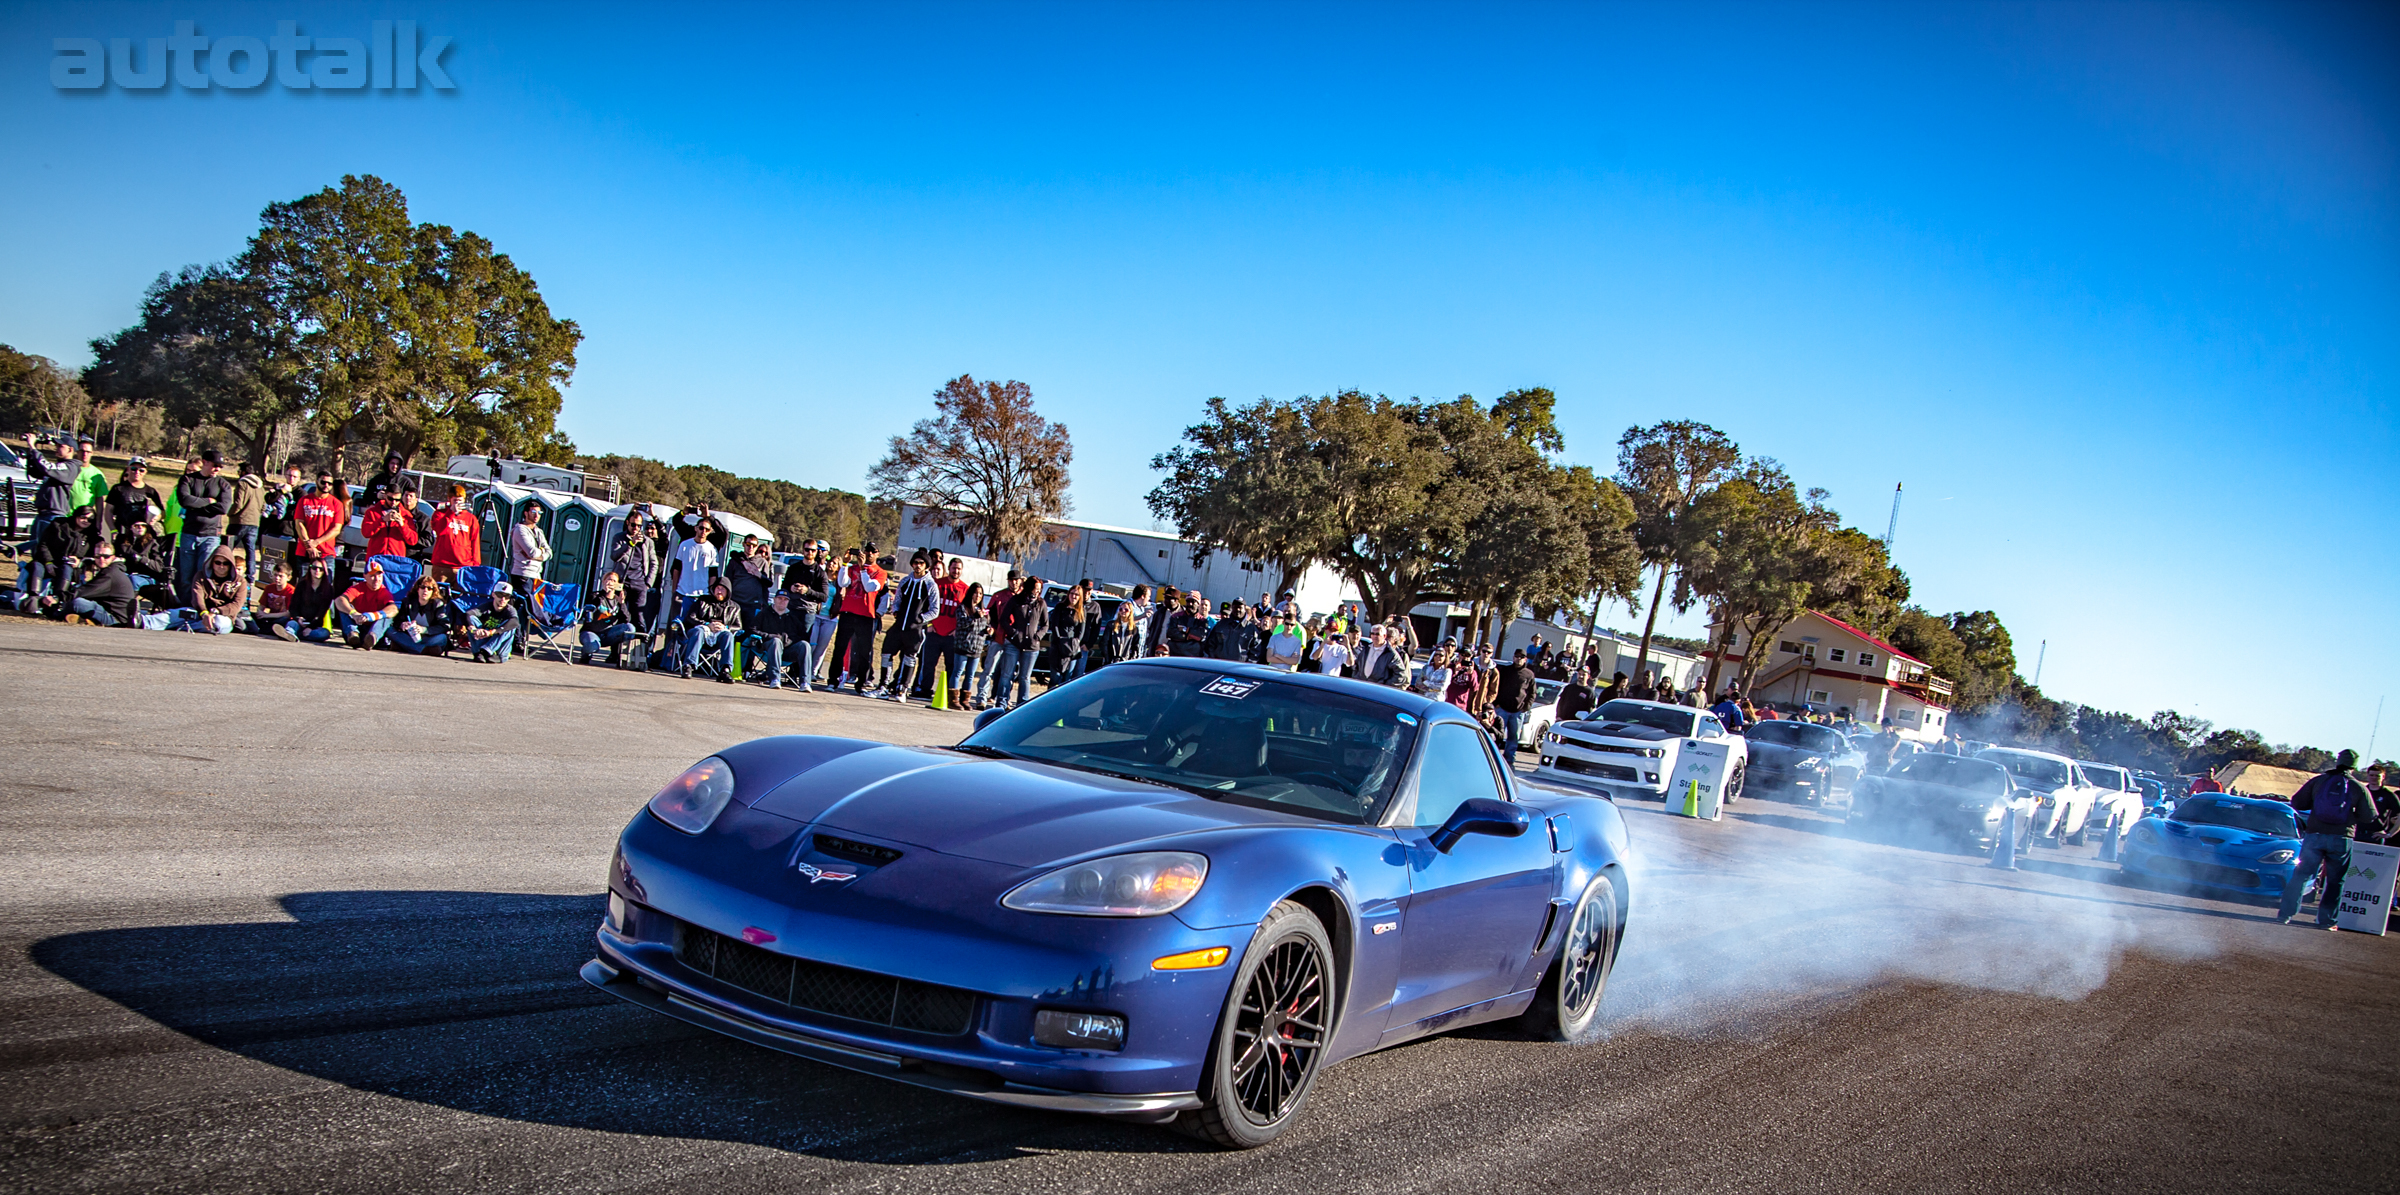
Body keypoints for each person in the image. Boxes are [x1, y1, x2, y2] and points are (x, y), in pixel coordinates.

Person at [2278, 750, 2383, 928]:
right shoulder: (2358, 787)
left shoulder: (2319, 781)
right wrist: (2350, 816)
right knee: (2335, 881)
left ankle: (2285, 915)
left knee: (2301, 875)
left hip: (2315, 835)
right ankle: (2327, 921)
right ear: (2354, 765)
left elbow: (2297, 802)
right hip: (2341, 838)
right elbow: (2369, 816)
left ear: (2338, 761)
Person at [877, 555, 941, 701]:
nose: (918, 565)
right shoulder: (905, 581)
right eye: (915, 563)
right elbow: (897, 599)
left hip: (915, 630)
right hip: (898, 626)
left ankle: (902, 689)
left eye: (921, 563)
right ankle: (883, 686)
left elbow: (935, 610)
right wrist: (896, 611)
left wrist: (920, 619)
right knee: (886, 653)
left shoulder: (930, 585)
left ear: (927, 566)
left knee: (909, 658)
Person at [172, 450, 232, 598]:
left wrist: (196, 505)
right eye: (215, 465)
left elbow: (223, 507)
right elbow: (185, 500)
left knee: (204, 574)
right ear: (204, 462)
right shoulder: (187, 479)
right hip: (189, 533)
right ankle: (184, 606)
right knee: (186, 576)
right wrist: (209, 501)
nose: (218, 469)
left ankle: (201, 606)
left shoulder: (223, 484)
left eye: (220, 466)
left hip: (210, 535)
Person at [19, 503, 99, 612]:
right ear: (76, 516)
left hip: (70, 567)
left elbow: (95, 556)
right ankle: (33, 598)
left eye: (90, 519)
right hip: (47, 561)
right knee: (36, 566)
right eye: (83, 517)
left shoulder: (92, 536)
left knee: (66, 568)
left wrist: (80, 562)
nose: (86, 521)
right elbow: (43, 545)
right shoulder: (58, 525)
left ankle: (57, 600)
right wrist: (48, 562)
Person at [829, 546, 885, 692]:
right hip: (848, 612)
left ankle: (861, 683)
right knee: (839, 648)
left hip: (866, 615)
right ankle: (832, 680)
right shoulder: (852, 568)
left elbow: (869, 587)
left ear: (878, 554)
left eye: (873, 551)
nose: (869, 554)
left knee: (864, 652)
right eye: (867, 551)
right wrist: (845, 564)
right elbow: (842, 583)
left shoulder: (880, 572)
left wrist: (862, 569)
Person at [992, 575, 1049, 710]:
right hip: (1014, 643)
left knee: (1025, 677)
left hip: (1031, 646)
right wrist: (1014, 633)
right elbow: (1003, 620)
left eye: (1039, 590)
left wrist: (1037, 636)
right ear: (1029, 588)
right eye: (1035, 589)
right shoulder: (1016, 600)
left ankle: (1022, 705)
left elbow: (1045, 625)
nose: (1037, 592)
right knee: (1007, 674)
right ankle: (1002, 703)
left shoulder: (1041, 603)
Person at [745, 586, 815, 690]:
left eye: (785, 599)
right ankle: (774, 679)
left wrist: (788, 640)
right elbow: (752, 630)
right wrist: (770, 636)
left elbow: (802, 635)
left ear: (788, 602)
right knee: (776, 641)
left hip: (787, 650)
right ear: (774, 599)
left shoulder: (792, 617)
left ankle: (805, 682)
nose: (782, 601)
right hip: (767, 649)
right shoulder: (764, 613)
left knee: (805, 645)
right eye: (780, 598)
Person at [680, 576, 744, 682]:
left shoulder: (734, 607)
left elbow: (738, 626)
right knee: (698, 631)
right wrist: (707, 624)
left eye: (722, 589)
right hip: (702, 630)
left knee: (728, 635)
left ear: (728, 591)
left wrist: (725, 627)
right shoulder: (702, 601)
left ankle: (725, 670)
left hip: (720, 634)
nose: (719, 591)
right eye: (717, 588)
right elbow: (690, 617)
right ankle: (688, 666)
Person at [178, 544, 248, 634]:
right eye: (218, 562)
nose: (221, 566)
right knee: (166, 617)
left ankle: (185, 626)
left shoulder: (240, 581)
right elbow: (197, 598)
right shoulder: (200, 576)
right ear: (212, 563)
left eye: (225, 563)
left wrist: (216, 611)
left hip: (223, 616)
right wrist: (204, 614)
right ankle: (188, 624)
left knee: (219, 624)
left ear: (231, 564)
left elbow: (236, 605)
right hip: (201, 613)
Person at [332, 559, 401, 649]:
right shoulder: (358, 588)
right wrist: (354, 614)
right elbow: (339, 600)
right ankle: (353, 635)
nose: (376, 579)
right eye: (372, 576)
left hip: (373, 628)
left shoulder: (384, 592)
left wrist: (373, 616)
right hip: (357, 626)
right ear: (365, 576)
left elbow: (393, 609)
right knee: (345, 607)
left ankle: (372, 638)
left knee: (387, 616)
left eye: (379, 576)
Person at [290, 469, 348, 576]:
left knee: (327, 587)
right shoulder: (304, 501)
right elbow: (299, 524)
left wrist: (316, 542)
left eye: (329, 483)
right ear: (317, 481)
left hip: (326, 553)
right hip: (305, 551)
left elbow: (336, 529)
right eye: (323, 482)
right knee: (304, 587)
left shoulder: (337, 504)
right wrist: (309, 545)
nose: (326, 485)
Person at [269, 558, 341, 642]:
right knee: (291, 624)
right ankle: (290, 633)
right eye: (314, 568)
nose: (317, 571)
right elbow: (293, 607)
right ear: (310, 569)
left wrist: (310, 627)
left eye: (320, 569)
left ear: (324, 571)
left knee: (324, 633)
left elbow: (322, 612)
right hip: (298, 621)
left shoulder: (328, 589)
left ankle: (295, 635)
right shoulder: (302, 585)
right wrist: (298, 618)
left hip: (314, 625)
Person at [104, 457, 164, 551]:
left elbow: (162, 512)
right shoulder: (118, 489)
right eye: (134, 469)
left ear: (145, 472)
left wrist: (157, 517)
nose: (137, 472)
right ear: (128, 469)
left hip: (143, 535)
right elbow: (108, 511)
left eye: (141, 470)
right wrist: (113, 530)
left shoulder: (150, 491)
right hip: (123, 532)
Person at [390, 574, 456, 656]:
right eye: (422, 587)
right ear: (417, 589)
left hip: (429, 637)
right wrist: (402, 625)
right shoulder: (408, 602)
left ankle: (406, 647)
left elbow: (444, 626)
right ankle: (421, 649)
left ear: (433, 591)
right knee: (390, 631)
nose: (425, 590)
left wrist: (424, 630)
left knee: (442, 638)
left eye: (429, 588)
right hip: (410, 636)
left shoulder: (438, 604)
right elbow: (397, 621)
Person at [1493, 649, 1538, 763]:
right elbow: (1496, 687)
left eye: (1521, 657)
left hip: (1517, 712)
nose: (1519, 659)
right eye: (1517, 656)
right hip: (1502, 708)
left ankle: (1509, 760)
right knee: (1497, 734)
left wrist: (1526, 707)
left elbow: (1532, 693)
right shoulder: (1505, 671)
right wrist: (1496, 704)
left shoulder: (1529, 674)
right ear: (1513, 658)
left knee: (1513, 737)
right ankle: (1494, 757)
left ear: (1525, 659)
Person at [427, 486, 479, 584]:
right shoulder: (440, 514)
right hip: (443, 565)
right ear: (449, 500)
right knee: (440, 595)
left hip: (463, 565)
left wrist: (475, 565)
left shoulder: (471, 518)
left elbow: (475, 542)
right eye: (455, 501)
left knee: (460, 596)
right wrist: (450, 513)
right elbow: (439, 530)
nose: (458, 504)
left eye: (460, 500)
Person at [505, 504, 551, 613]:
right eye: (533, 512)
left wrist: (540, 554)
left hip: (536, 575)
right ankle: (518, 630)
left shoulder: (539, 531)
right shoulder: (520, 530)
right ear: (526, 513)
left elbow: (549, 552)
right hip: (523, 574)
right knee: (523, 607)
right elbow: (532, 552)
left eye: (539, 513)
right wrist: (540, 552)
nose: (536, 516)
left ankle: (526, 629)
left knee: (534, 609)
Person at [462, 584, 523, 663]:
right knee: (471, 619)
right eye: (499, 595)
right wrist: (474, 629)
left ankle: (487, 650)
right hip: (483, 639)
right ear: (493, 594)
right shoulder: (487, 606)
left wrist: (492, 632)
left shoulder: (510, 610)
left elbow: (515, 622)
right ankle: (480, 652)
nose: (503, 599)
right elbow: (468, 614)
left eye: (507, 596)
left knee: (511, 625)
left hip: (499, 650)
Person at [228, 462, 266, 582]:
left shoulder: (242, 483)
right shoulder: (260, 486)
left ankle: (226, 573)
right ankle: (250, 578)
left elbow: (238, 503)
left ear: (243, 472)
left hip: (239, 521)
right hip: (254, 522)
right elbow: (264, 506)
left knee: (227, 548)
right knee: (250, 551)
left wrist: (230, 513)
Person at [726, 537, 776, 627]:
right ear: (744, 544)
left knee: (750, 629)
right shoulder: (734, 561)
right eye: (748, 544)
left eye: (754, 545)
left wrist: (759, 574)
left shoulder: (763, 562)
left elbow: (768, 583)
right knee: (733, 627)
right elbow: (727, 580)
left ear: (756, 546)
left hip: (753, 603)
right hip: (735, 601)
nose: (751, 547)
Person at [362, 485, 420, 560]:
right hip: (376, 558)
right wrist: (382, 520)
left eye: (397, 500)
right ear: (385, 496)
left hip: (396, 559)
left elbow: (412, 540)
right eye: (390, 499)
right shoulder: (372, 512)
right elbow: (366, 533)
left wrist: (402, 525)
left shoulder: (406, 515)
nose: (393, 502)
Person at [249, 559, 296, 636]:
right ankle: (268, 629)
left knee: (284, 621)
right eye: (275, 575)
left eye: (280, 576)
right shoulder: (269, 588)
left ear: (288, 577)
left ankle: (267, 629)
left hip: (280, 618)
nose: (277, 578)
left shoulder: (291, 591)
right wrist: (260, 613)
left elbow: (288, 614)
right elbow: (261, 606)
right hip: (270, 618)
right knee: (251, 616)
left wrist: (267, 615)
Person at [262, 463, 301, 540]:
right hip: (272, 529)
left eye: (294, 477)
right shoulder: (279, 488)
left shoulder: (300, 493)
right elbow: (268, 499)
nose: (291, 478)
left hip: (288, 531)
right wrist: (282, 491)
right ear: (285, 476)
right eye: (289, 475)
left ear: (299, 478)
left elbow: (298, 512)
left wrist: (281, 512)